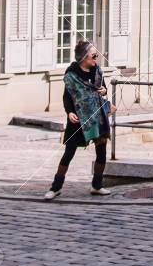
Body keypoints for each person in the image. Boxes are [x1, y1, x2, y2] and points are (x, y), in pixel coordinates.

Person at [44, 41, 114, 199]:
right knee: (68, 153)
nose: (97, 57)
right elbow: (67, 97)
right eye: (94, 55)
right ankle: (55, 187)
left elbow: (102, 88)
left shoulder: (97, 71)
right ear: (84, 57)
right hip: (78, 120)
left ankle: (97, 185)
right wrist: (69, 112)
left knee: (101, 152)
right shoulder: (71, 76)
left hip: (97, 117)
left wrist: (104, 90)